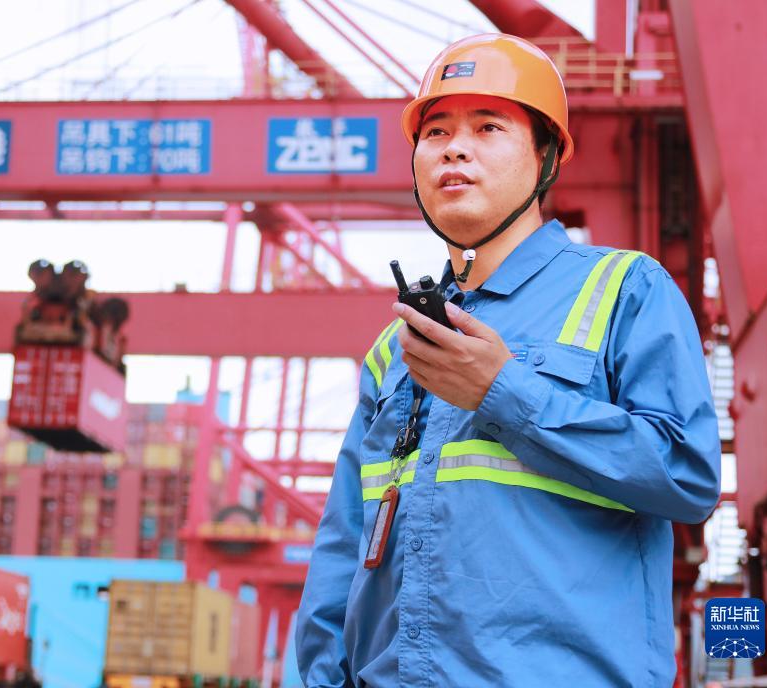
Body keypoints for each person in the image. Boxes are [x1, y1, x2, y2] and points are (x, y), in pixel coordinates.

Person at [294, 33, 721, 687]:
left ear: (547, 155)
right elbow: (345, 542)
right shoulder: (392, 351)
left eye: (488, 127)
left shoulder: (624, 291)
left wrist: (504, 391)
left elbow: (687, 476)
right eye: (435, 132)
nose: (454, 148)